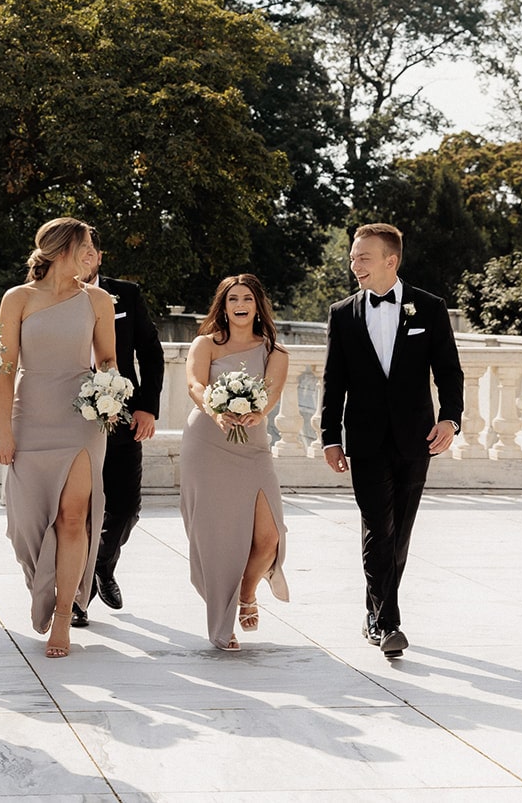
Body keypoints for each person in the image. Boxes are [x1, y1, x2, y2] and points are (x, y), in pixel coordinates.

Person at [320, 223, 463, 658]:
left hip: (415, 438)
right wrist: (330, 437)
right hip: (363, 440)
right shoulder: (342, 313)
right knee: (377, 527)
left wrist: (451, 420)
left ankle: (373, 612)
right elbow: (333, 381)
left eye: (362, 257)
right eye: (352, 258)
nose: (354, 264)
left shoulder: (430, 308)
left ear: (390, 260)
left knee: (398, 531)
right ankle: (388, 623)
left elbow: (449, 371)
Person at [0, 217, 115, 659]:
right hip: (30, 415)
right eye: (85, 247)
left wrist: (110, 386)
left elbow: (107, 359)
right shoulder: (18, 298)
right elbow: (6, 370)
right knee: (24, 524)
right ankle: (41, 584)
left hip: (80, 418)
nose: (91, 255)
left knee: (72, 516)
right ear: (63, 249)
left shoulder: (98, 300)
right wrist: (4, 431)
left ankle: (64, 614)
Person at [180, 274, 290, 650]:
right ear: (223, 306)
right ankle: (221, 622)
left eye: (246, 298)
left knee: (270, 535)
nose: (239, 304)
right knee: (215, 537)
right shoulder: (205, 344)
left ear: (258, 304)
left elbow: (271, 393)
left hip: (252, 446)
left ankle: (246, 593)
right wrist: (214, 410)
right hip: (207, 443)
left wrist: (258, 413)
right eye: (232, 299)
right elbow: (195, 384)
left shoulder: (275, 351)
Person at [73, 229, 164, 627]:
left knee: (126, 506)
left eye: (90, 251)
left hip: (122, 414)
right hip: (70, 418)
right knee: (80, 512)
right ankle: (77, 599)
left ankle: (102, 566)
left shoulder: (125, 294)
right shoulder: (50, 293)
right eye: (78, 252)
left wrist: (147, 407)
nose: (85, 258)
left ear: (99, 256)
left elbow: (151, 352)